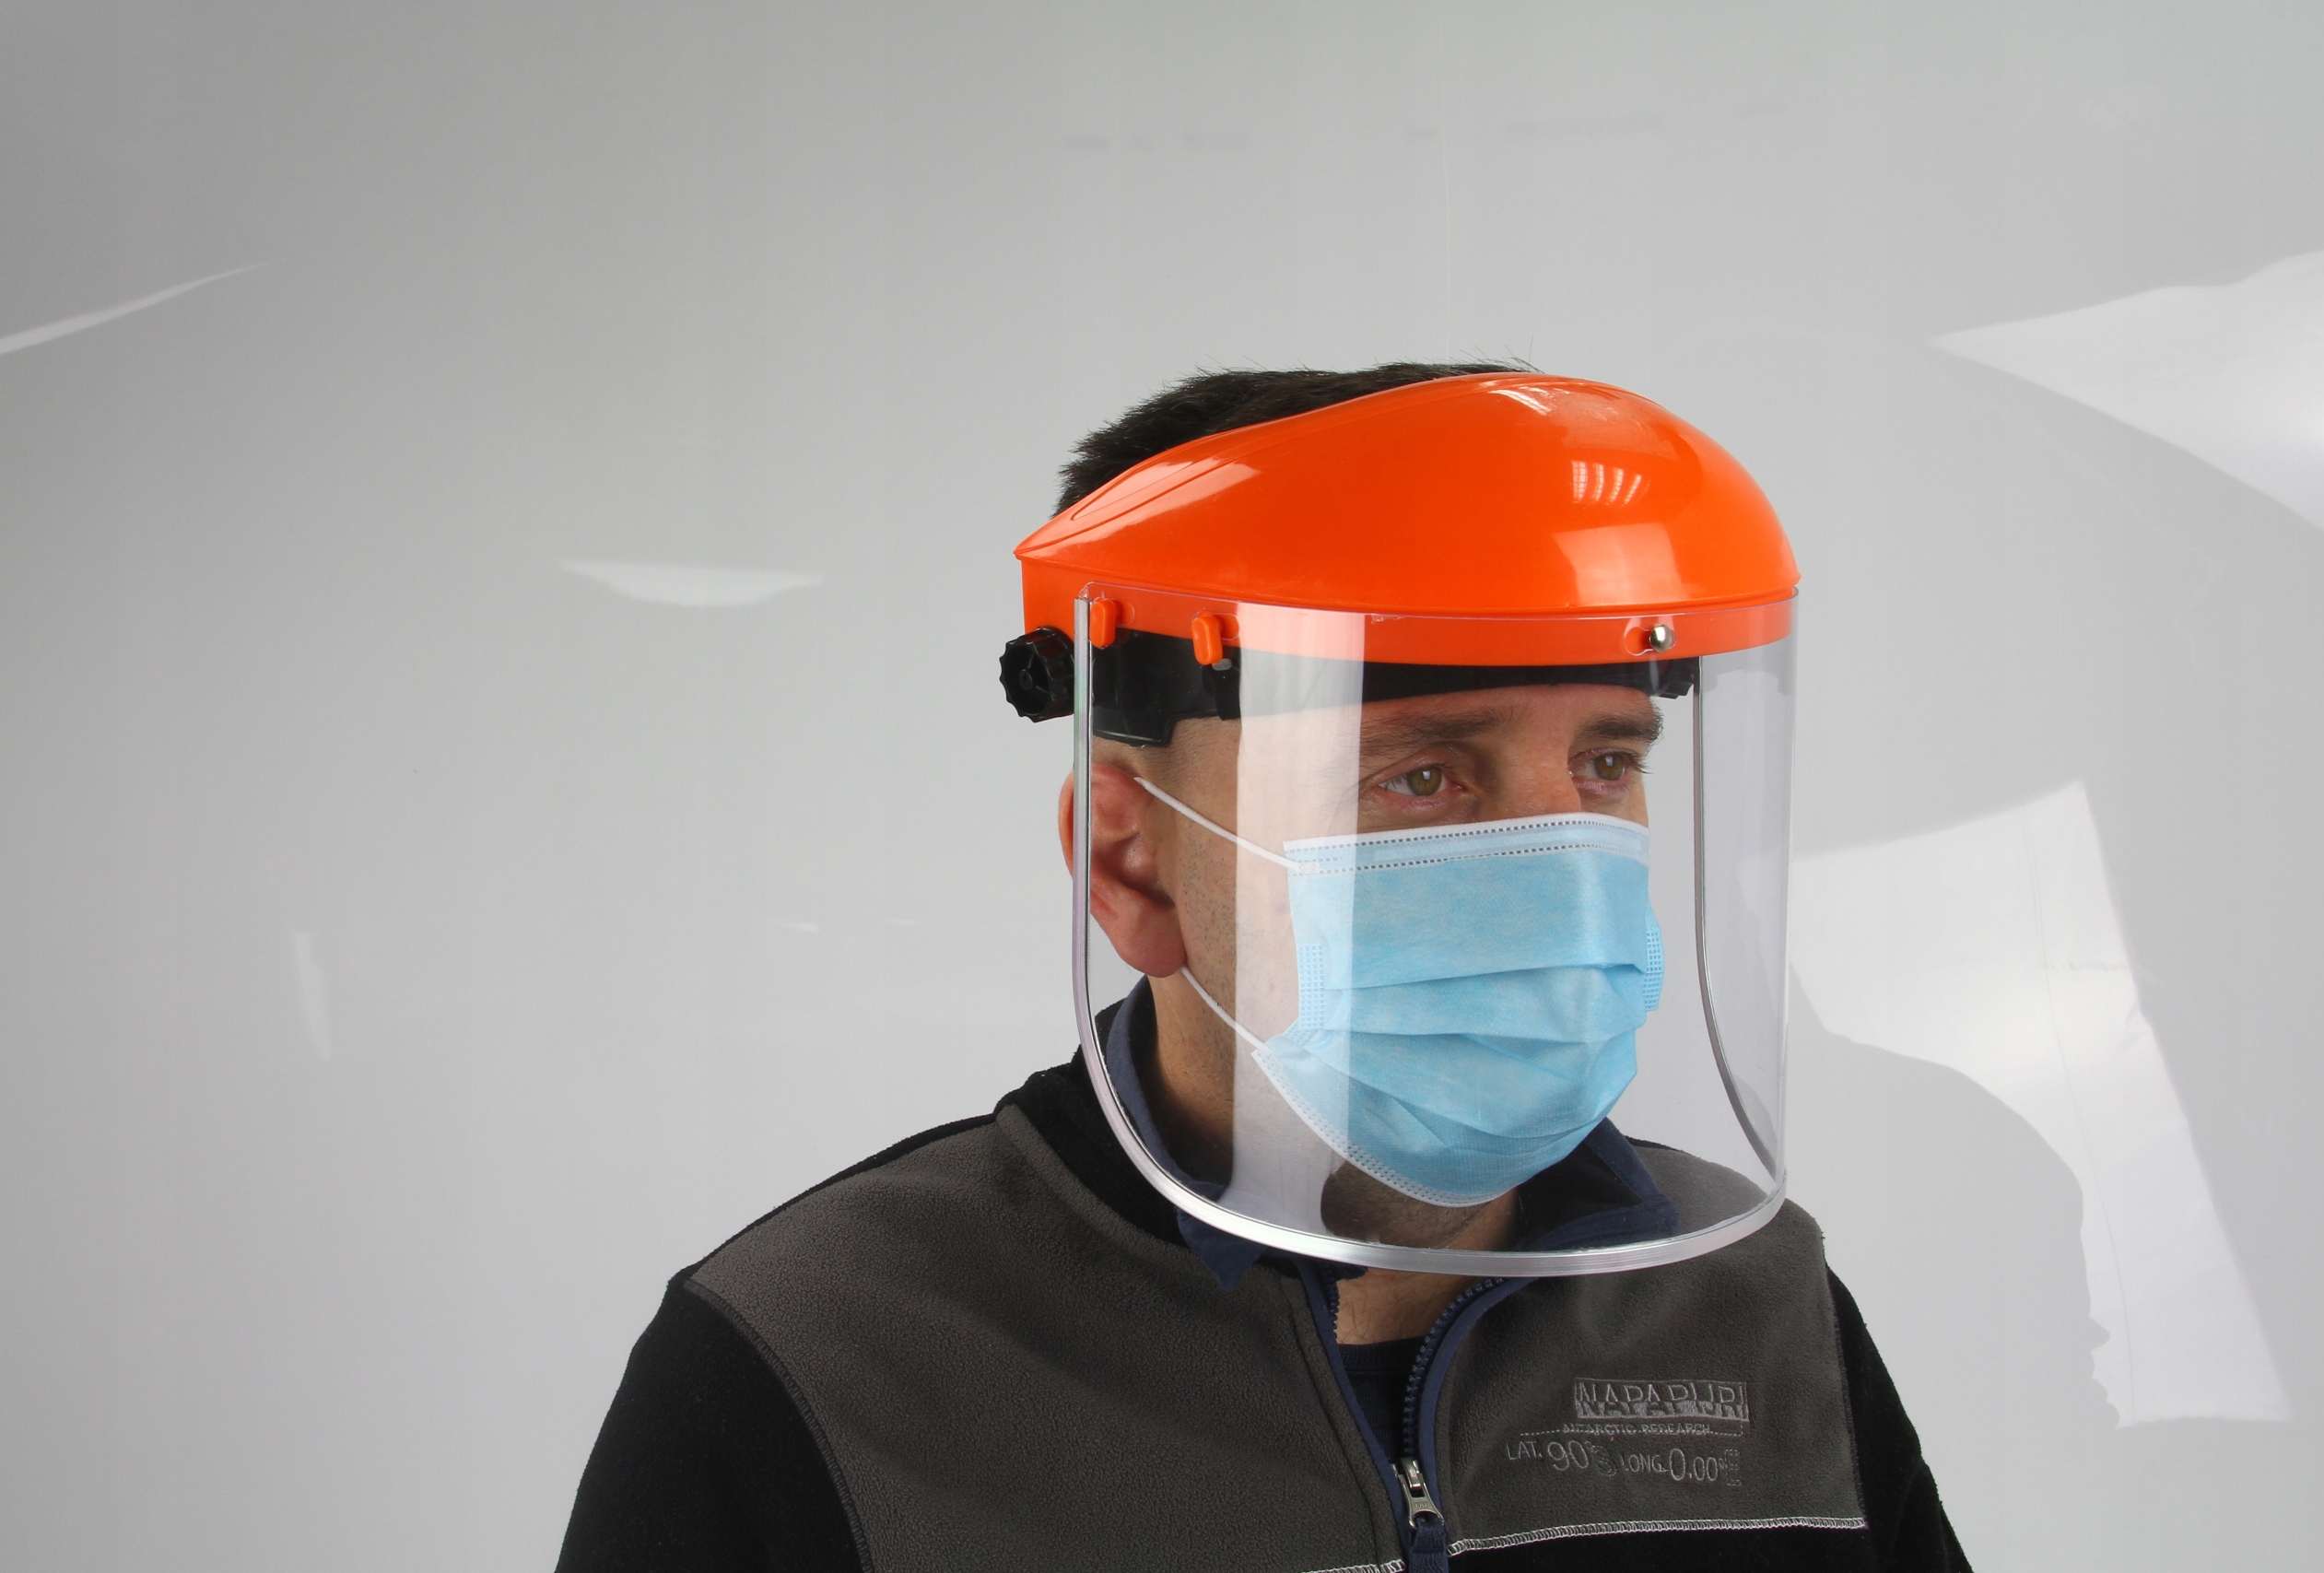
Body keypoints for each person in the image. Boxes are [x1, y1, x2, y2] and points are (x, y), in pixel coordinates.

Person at [555, 364, 1970, 1571]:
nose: (1558, 868)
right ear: (1135, 865)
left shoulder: (1756, 1307)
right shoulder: (823, 1359)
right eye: (1420, 776)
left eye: (1607, 764)